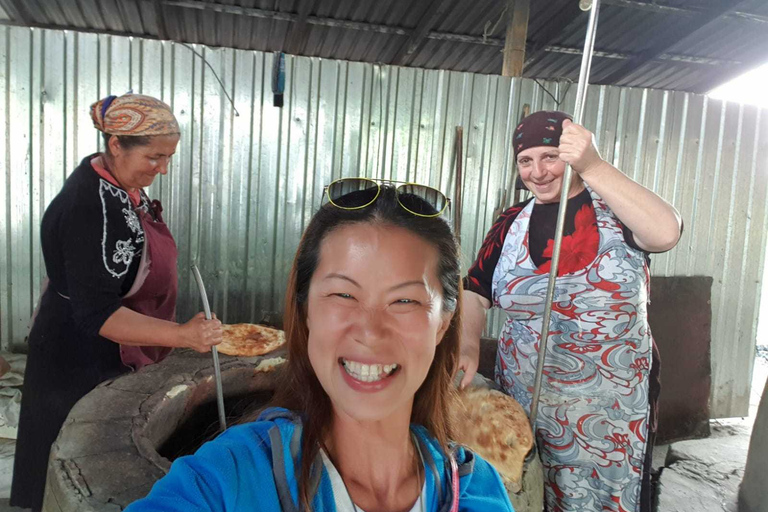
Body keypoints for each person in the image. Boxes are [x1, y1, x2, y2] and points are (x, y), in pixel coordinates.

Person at [125, 180, 514, 512]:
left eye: (405, 301)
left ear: (443, 322)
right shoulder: (232, 477)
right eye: (343, 294)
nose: (370, 331)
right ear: (306, 309)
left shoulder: (477, 490)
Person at [458, 111, 682, 512]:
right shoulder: (511, 222)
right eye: (526, 161)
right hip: (528, 401)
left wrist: (593, 165)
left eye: (550, 157)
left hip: (611, 411)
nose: (538, 172)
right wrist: (467, 344)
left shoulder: (617, 209)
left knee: (605, 500)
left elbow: (666, 232)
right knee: (532, 492)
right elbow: (474, 291)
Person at [11, 94, 223, 511]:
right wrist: (181, 335)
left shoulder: (121, 181)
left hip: (112, 344)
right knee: (74, 464)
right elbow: (98, 314)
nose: (163, 168)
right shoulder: (87, 207)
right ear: (116, 145)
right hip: (76, 355)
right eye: (155, 157)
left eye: (169, 157)